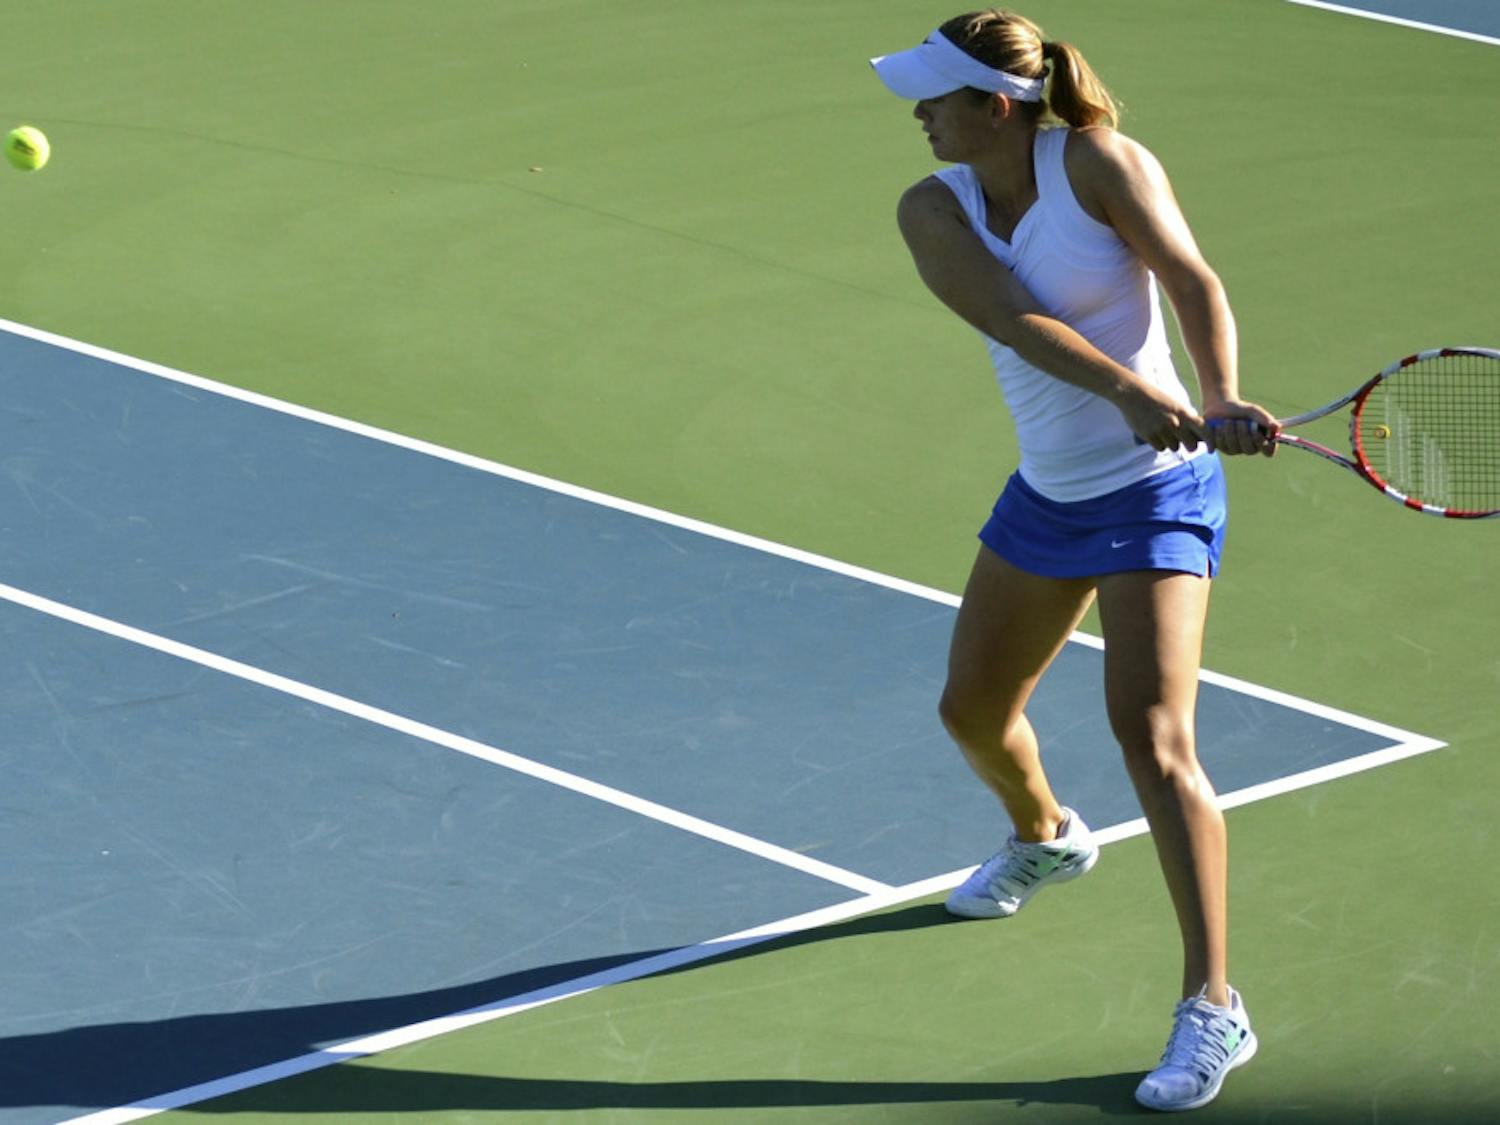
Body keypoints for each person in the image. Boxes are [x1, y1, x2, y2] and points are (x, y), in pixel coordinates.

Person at [869, 9, 1279, 1114]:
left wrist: (1220, 392)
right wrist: (1137, 393)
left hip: (1158, 495)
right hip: (1051, 495)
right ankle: (1045, 836)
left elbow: (1191, 280)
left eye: (935, 98)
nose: (918, 114)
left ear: (993, 107)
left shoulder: (1098, 164)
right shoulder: (932, 208)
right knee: (971, 711)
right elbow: (1011, 316)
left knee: (1154, 738)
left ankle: (1213, 1007)